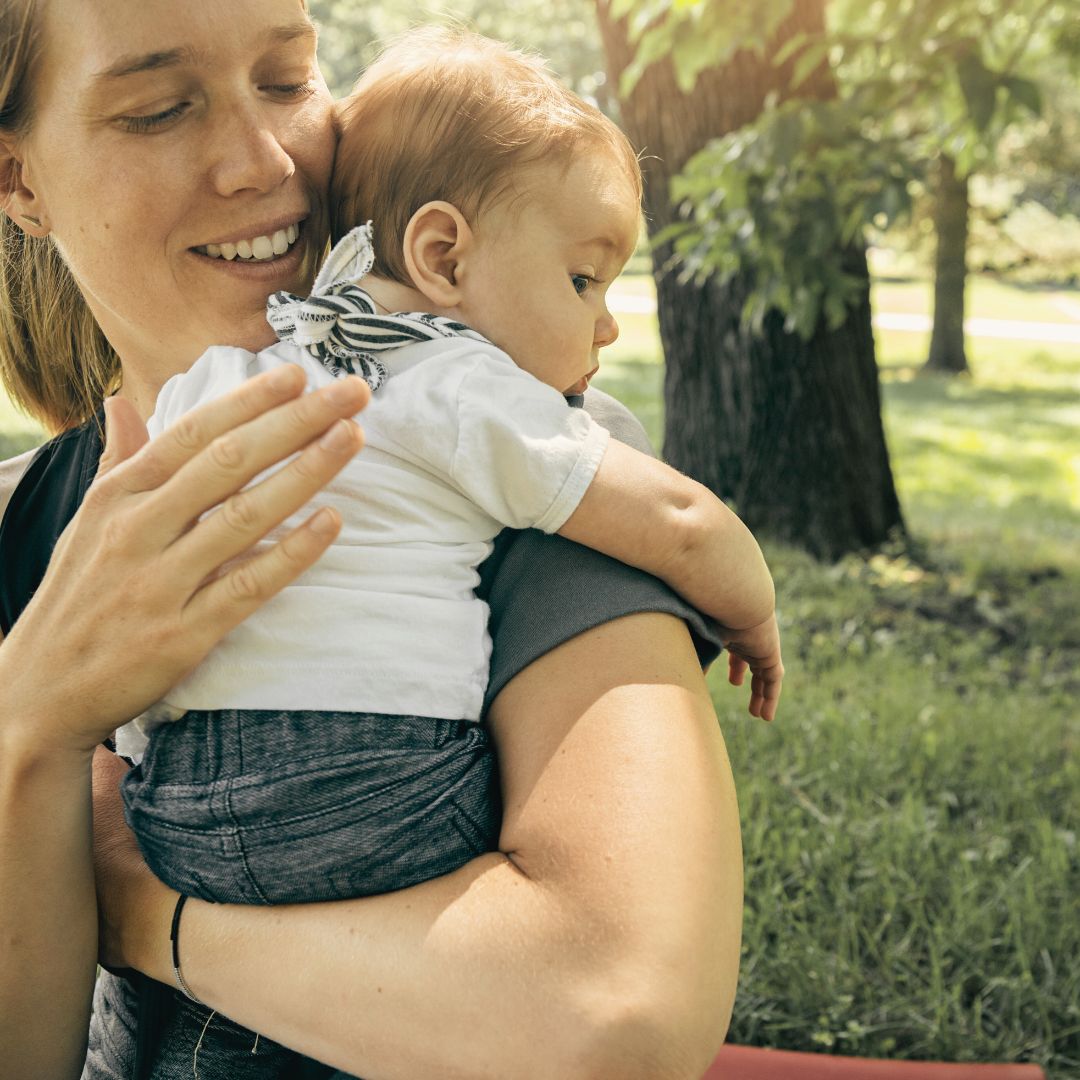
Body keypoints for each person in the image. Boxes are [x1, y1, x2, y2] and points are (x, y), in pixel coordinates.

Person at [0, 3, 751, 1079]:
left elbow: (612, 1022)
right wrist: (28, 721)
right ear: (17, 179)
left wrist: (142, 910)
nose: (262, 162)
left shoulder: (533, 463)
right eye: (159, 108)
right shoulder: (22, 527)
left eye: (289, 79)